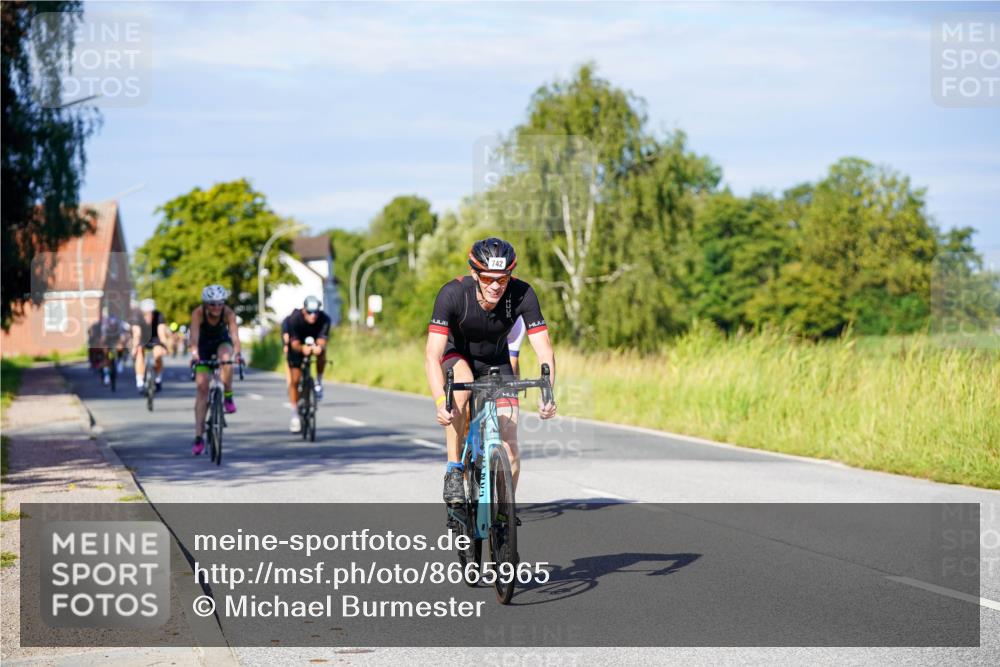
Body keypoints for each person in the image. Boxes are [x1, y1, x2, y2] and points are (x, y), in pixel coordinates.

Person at [424, 237, 557, 513]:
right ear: (475, 273)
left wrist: (548, 394)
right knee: (460, 391)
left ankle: (504, 518)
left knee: (510, 448)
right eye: (488, 278)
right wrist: (440, 402)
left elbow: (545, 350)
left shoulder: (523, 293)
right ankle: (453, 469)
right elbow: (431, 355)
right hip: (457, 355)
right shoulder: (452, 294)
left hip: (496, 361)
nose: (496, 285)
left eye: (503, 278)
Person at [189, 285, 242, 455]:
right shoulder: (198, 313)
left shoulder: (228, 313)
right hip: (203, 346)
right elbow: (194, 337)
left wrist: (238, 354)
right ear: (206, 304)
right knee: (202, 387)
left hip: (221, 343)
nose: (216, 308)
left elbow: (234, 336)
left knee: (227, 360)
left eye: (220, 304)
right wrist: (195, 353)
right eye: (212, 304)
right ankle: (198, 437)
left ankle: (228, 395)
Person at [284, 296, 330, 433]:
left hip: (314, 343)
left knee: (322, 352)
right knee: (295, 380)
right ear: (304, 311)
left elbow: (322, 340)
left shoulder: (324, 319)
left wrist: (318, 348)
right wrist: (303, 349)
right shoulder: (295, 319)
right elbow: (294, 344)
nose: (313, 315)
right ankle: (294, 415)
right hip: (297, 347)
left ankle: (318, 382)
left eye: (316, 312)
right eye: (310, 312)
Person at [132, 299, 170, 394]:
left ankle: (158, 378)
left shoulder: (159, 316)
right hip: (143, 338)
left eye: (151, 313)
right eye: (146, 313)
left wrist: (165, 346)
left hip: (155, 338)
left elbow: (161, 333)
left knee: (158, 355)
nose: (149, 316)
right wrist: (134, 347)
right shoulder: (137, 317)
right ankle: (140, 381)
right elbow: (137, 334)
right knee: (140, 352)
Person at [100, 313, 129, 386]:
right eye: (111, 325)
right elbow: (103, 339)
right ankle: (106, 376)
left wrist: (122, 342)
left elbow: (122, 338)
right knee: (106, 354)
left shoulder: (119, 327)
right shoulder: (105, 327)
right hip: (108, 341)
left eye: (114, 325)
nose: (112, 327)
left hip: (116, 341)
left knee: (120, 347)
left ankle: (120, 360)